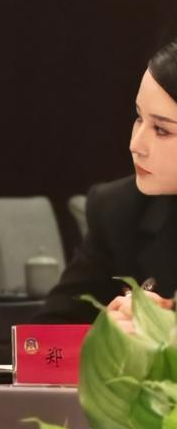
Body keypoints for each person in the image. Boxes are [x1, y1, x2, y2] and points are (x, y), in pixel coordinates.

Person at [41, 37, 177, 332]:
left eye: (162, 130)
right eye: (139, 118)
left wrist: (169, 330)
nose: (135, 144)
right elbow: (44, 337)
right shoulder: (119, 209)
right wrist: (103, 336)